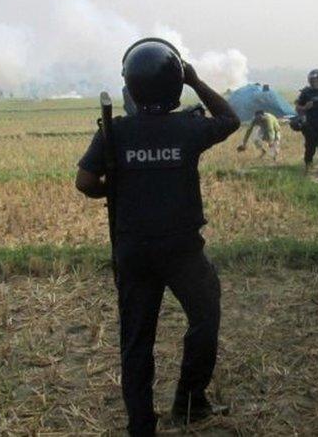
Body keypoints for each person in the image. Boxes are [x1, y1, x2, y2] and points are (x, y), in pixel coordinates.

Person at [76, 38, 238, 436]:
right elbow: (231, 119)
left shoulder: (116, 132)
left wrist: (115, 188)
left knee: (136, 340)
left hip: (133, 249)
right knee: (205, 316)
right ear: (175, 85)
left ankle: (141, 425)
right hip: (182, 250)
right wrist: (197, 83)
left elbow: (84, 182)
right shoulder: (188, 127)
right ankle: (188, 402)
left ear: (129, 84)